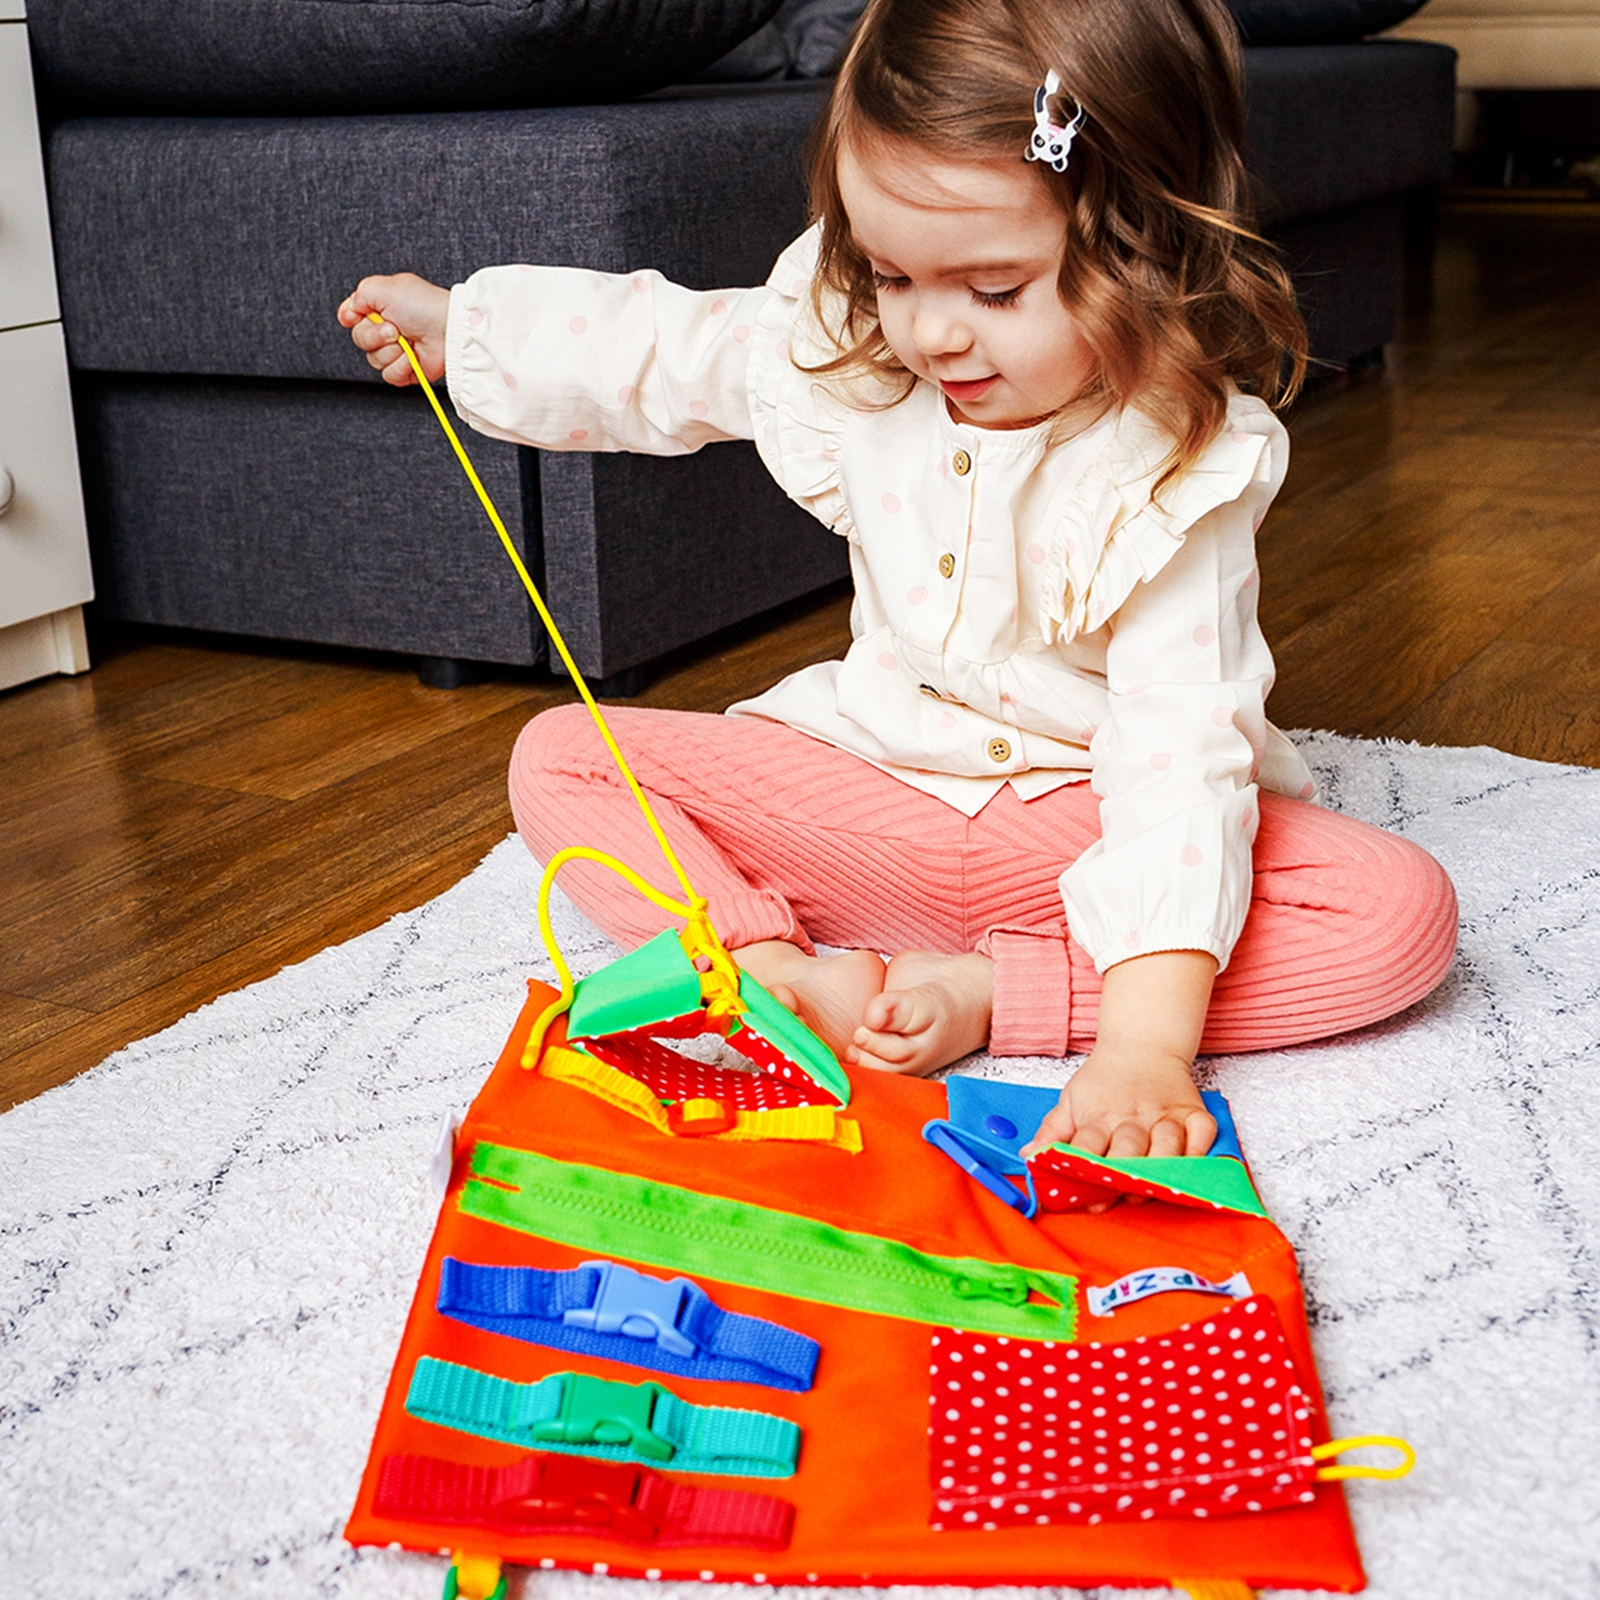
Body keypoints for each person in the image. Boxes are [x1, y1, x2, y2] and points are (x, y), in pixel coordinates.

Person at [338, 0, 1457, 1164]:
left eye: (995, 290)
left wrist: (1140, 1046)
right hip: (871, 794)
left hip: (1075, 832)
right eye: (891, 274)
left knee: (1396, 917)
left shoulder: (1176, 460)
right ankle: (775, 975)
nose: (932, 334)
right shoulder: (854, 344)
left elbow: (1179, 755)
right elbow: (667, 346)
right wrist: (462, 326)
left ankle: (997, 991)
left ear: (1141, 250)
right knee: (560, 757)